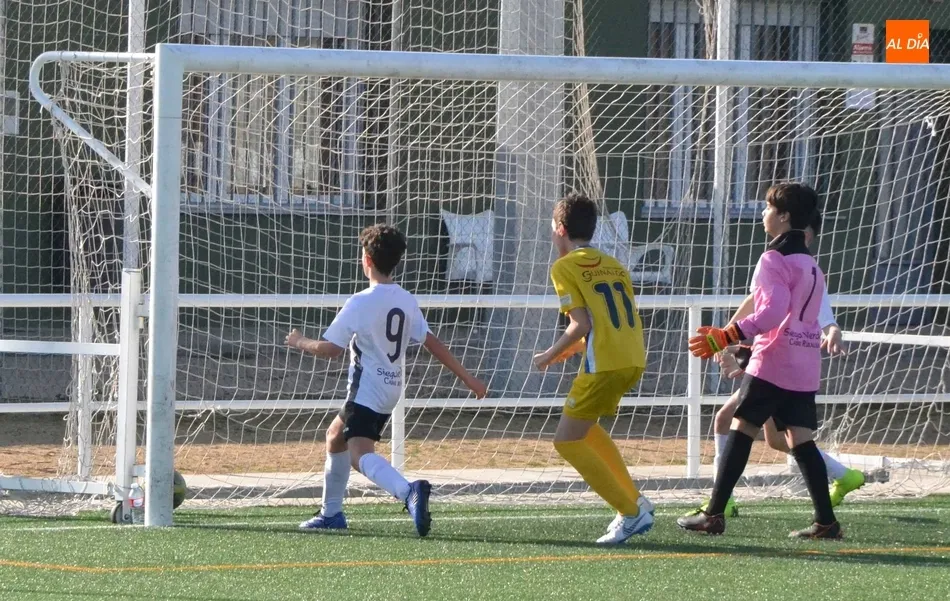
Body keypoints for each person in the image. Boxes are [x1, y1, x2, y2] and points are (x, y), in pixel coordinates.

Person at [286, 224, 487, 537]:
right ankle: (331, 514)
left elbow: (332, 349)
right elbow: (432, 342)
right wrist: (468, 378)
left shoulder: (360, 301)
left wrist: (299, 341)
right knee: (335, 436)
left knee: (359, 454)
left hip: (366, 390)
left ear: (366, 260)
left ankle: (408, 491)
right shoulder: (405, 299)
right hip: (391, 387)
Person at [677, 182, 843, 539]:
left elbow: (771, 313)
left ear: (784, 217)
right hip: (804, 364)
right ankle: (826, 522)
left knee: (741, 430)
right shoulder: (811, 265)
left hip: (773, 362)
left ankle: (713, 514)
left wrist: (727, 336)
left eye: (768, 208)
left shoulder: (773, 259)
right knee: (801, 441)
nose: (764, 214)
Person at [533, 192, 654, 544]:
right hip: (632, 358)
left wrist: (549, 354)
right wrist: (574, 348)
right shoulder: (614, 264)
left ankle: (630, 512)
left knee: (566, 441)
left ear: (560, 229)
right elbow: (609, 322)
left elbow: (581, 323)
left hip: (604, 364)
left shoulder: (563, 267)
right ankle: (634, 501)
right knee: (585, 430)